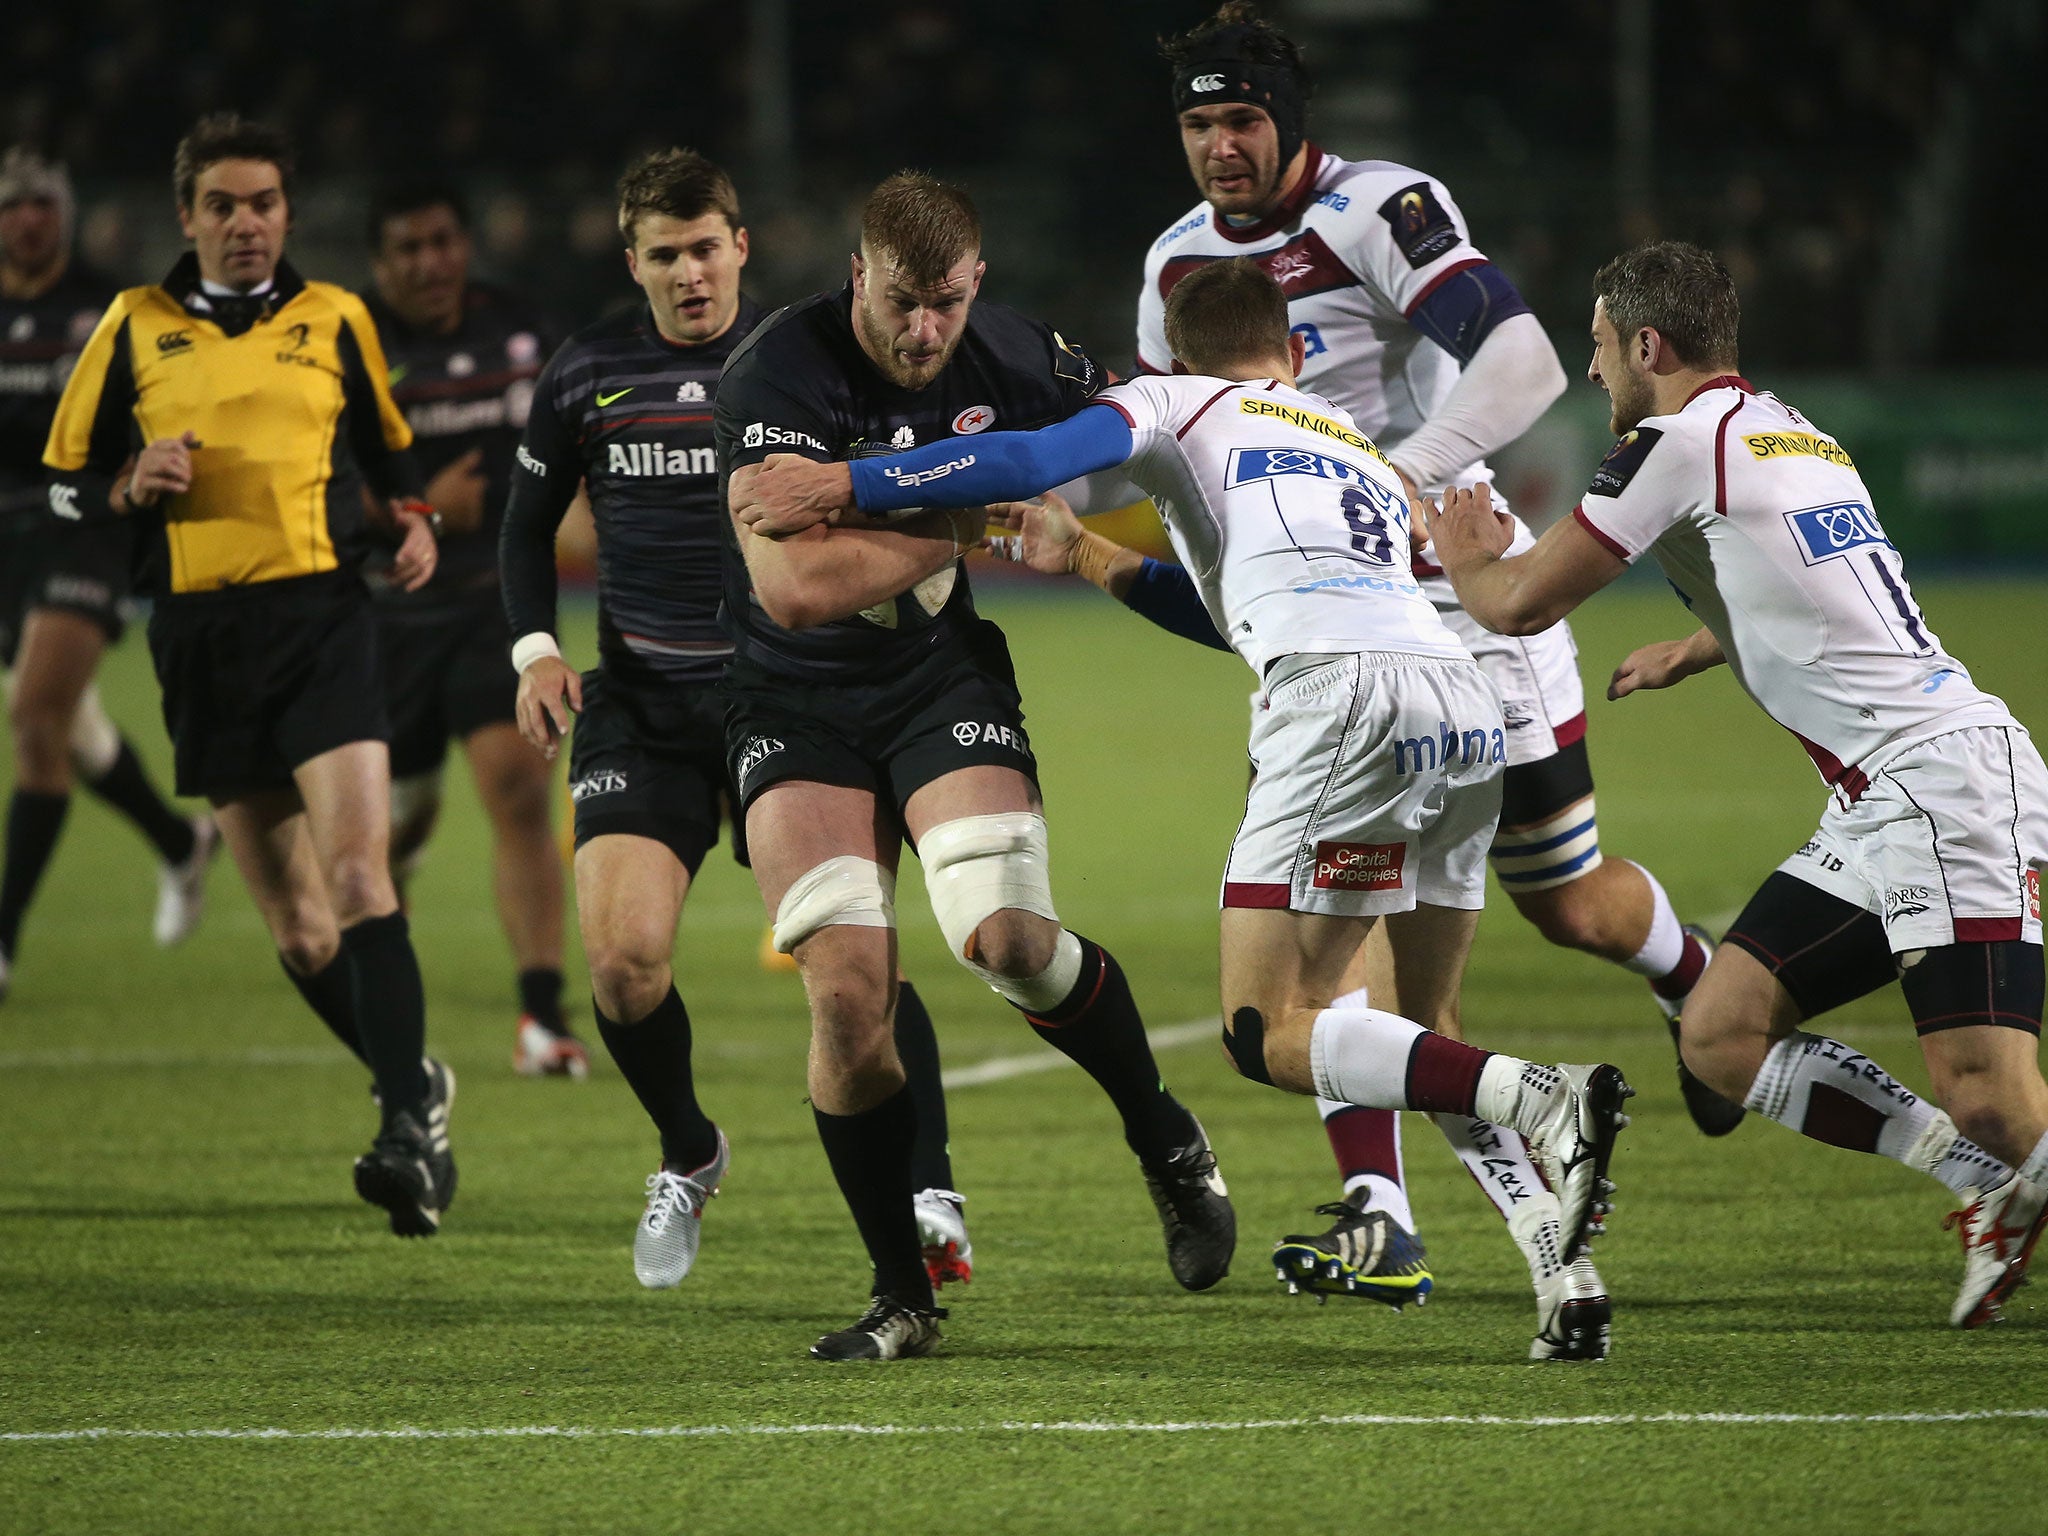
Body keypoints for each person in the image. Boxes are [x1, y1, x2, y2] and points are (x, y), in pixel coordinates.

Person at [737, 255, 1634, 1363]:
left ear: (1164, 356)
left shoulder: (1169, 399)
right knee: (1416, 1032)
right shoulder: (1345, 437)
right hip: (1460, 704)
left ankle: (1546, 1095)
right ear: (1294, 351)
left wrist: (847, 487)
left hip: (1337, 705)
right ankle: (1565, 1274)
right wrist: (1090, 558)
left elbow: (1027, 456)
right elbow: (1231, 612)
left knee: (1269, 1031)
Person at [1136, 2, 1733, 1320]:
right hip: (1339, 637)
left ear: (1290, 118)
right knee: (1340, 963)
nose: (1222, 147)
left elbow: (1520, 361)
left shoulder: (1379, 209)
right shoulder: (1174, 264)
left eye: (1240, 119)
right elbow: (1176, 459)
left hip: (1468, 608)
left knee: (1563, 905)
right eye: (1197, 123)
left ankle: (1706, 992)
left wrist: (1388, 476)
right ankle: (1385, 1218)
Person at [1426, 238, 2047, 1329]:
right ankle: (1982, 1184)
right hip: (1886, 798)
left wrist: (1464, 552)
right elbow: (1824, 586)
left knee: (1992, 1096)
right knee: (1716, 1038)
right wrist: (1693, 645)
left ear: (1647, 344)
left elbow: (1519, 605)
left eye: (1600, 346)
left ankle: (1999, 1163)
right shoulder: (1787, 428)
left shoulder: (1673, 442)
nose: (1592, 371)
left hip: (1942, 789)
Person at [719, 171, 1236, 1362]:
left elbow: (1155, 432)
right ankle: (901, 1295)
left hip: (937, 681)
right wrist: (962, 516)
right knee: (847, 998)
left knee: (1008, 941)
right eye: (902, 301)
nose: (923, 332)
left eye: (945, 304)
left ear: (977, 285)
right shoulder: (774, 375)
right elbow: (792, 590)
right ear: (857, 274)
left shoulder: (1009, 353)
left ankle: (1162, 1137)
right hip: (791, 704)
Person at [501, 149, 972, 1292]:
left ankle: (929, 1189)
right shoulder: (587, 373)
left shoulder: (801, 362)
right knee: (620, 965)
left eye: (705, 247)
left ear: (741, 246)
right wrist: (535, 652)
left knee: (851, 954)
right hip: (648, 705)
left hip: (800, 693)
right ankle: (688, 1151)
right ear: (635, 264)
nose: (689, 272)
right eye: (663, 254)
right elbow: (522, 530)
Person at [43, 114, 455, 1236]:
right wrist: (128, 482)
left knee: (361, 877)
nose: (244, 224)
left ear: (287, 212)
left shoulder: (337, 319)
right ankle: (417, 1082)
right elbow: (61, 488)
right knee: (298, 931)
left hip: (323, 618)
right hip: (199, 638)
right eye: (221, 205)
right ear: (187, 217)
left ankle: (402, 1127)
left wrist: (413, 519)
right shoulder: (131, 327)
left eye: (263, 203)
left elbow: (390, 450)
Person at [364, 178, 580, 1077]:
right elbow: (321, 482)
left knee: (520, 794)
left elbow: (571, 448)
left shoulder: (523, 333)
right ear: (381, 264)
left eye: (443, 241)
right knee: (402, 819)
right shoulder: (354, 346)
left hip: (495, 604)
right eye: (409, 249)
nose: (430, 263)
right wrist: (420, 514)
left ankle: (541, 1017)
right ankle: (386, 894)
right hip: (385, 611)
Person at [0, 147, 215, 998]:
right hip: (4, 542)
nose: (28, 218)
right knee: (71, 724)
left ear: (67, 212)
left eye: (43, 203)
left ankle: (4, 940)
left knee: (36, 714)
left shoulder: (109, 308)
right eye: (14, 205)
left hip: (82, 526)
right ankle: (180, 842)